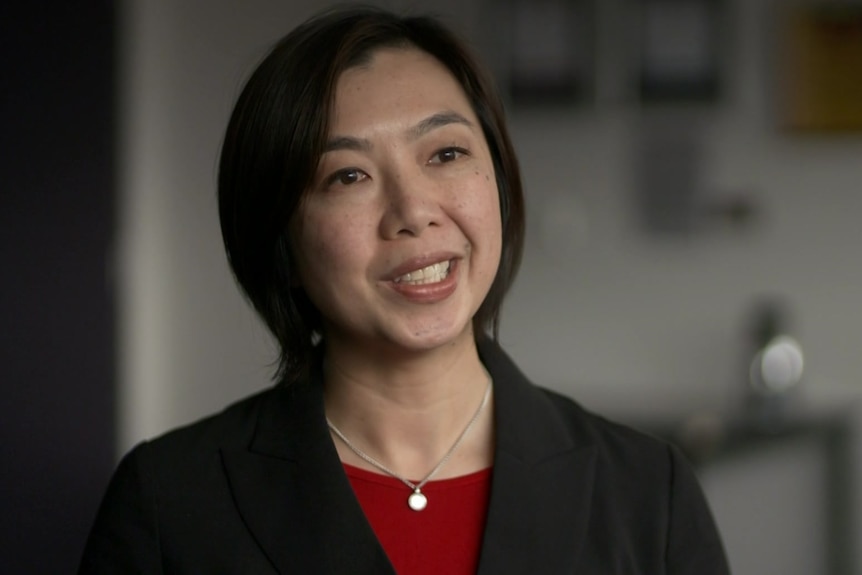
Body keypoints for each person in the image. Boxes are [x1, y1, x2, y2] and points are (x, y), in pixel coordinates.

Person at [79, 5, 730, 574]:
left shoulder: (650, 492)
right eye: (349, 176)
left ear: (497, 184)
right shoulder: (171, 504)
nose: (413, 211)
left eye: (445, 153)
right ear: (282, 243)